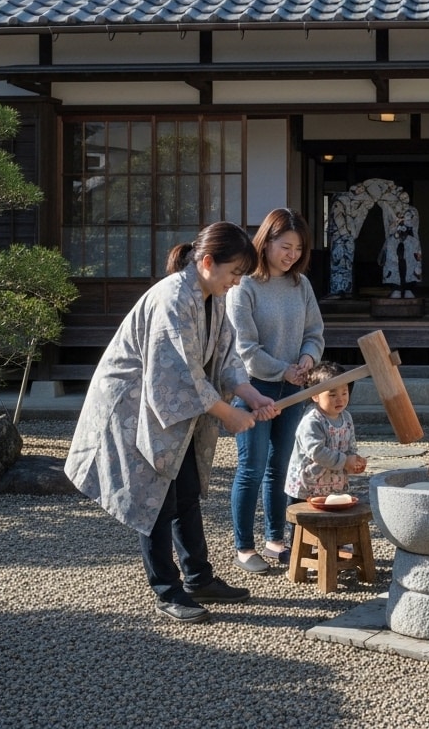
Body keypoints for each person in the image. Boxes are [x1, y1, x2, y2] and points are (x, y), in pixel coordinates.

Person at [65, 221, 279, 625]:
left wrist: (250, 394)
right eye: (234, 272)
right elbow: (177, 376)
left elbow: (228, 358)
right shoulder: (172, 298)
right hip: (134, 407)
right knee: (155, 498)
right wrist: (228, 412)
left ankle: (198, 577)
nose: (237, 282)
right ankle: (167, 589)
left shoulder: (213, 295)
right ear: (208, 262)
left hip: (175, 409)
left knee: (185, 491)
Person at [227, 208, 324, 572]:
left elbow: (315, 332)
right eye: (286, 246)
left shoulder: (301, 285)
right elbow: (245, 349)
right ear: (265, 242)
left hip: (293, 388)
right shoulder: (244, 285)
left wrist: (308, 361)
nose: (292, 255)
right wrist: (286, 368)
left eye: (299, 248)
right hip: (253, 387)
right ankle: (243, 546)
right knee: (251, 467)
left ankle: (275, 539)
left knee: (280, 467)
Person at [285, 361, 368, 501]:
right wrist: (345, 460)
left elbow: (350, 445)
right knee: (306, 520)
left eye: (344, 392)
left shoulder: (346, 417)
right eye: (332, 395)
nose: (340, 399)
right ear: (315, 395)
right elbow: (317, 452)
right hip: (307, 486)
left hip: (334, 484)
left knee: (334, 518)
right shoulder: (312, 420)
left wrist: (354, 460)